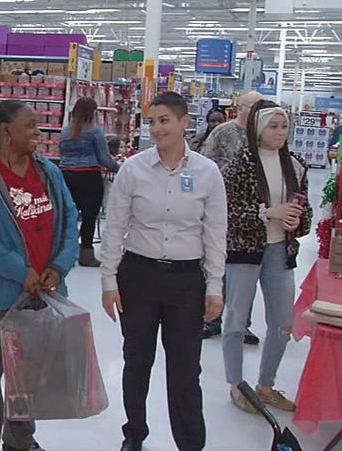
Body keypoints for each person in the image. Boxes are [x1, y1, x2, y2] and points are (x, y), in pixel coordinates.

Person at [100, 92, 226, 451]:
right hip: (138, 276)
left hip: (187, 282)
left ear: (185, 122)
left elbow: (216, 233)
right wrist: (109, 281)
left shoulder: (207, 173)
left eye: (164, 120)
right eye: (152, 122)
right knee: (136, 361)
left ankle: (190, 442)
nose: (156, 129)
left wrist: (214, 286)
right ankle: (134, 436)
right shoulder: (133, 169)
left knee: (185, 370)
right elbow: (114, 228)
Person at [0, 99, 79, 451]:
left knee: (26, 376)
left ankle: (20, 441)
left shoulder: (47, 171)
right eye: (31, 125)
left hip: (40, 294)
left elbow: (70, 218)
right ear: (6, 131)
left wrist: (59, 265)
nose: (38, 133)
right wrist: (19, 270)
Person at [222, 101, 312, 415]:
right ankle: (236, 385)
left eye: (284, 126)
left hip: (280, 251)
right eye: (273, 126)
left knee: (283, 322)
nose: (279, 132)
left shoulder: (296, 165)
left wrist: (297, 222)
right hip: (245, 250)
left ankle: (266, 385)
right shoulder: (241, 162)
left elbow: (306, 212)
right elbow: (227, 211)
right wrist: (268, 213)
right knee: (235, 319)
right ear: (259, 129)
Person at [200, 90, 264, 344]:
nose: (256, 112)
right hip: (222, 207)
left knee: (246, 271)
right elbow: (206, 163)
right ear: (241, 107)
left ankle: (241, 324)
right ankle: (211, 318)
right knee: (217, 263)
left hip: (253, 213)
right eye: (253, 107)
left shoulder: (262, 135)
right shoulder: (222, 132)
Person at [60, 96, 120, 267]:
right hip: (89, 177)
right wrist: (120, 168)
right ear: (91, 113)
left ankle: (65, 253)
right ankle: (86, 254)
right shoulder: (94, 131)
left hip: (67, 176)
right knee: (89, 216)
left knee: (69, 216)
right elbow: (104, 158)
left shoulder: (65, 131)